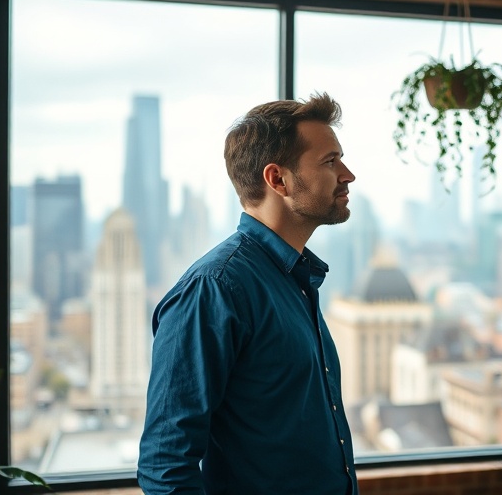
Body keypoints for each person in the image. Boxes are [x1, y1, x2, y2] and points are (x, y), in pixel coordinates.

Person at [138, 93, 359, 494]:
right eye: (330, 161)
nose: (348, 174)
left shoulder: (297, 279)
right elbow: (164, 467)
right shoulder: (215, 289)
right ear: (277, 179)